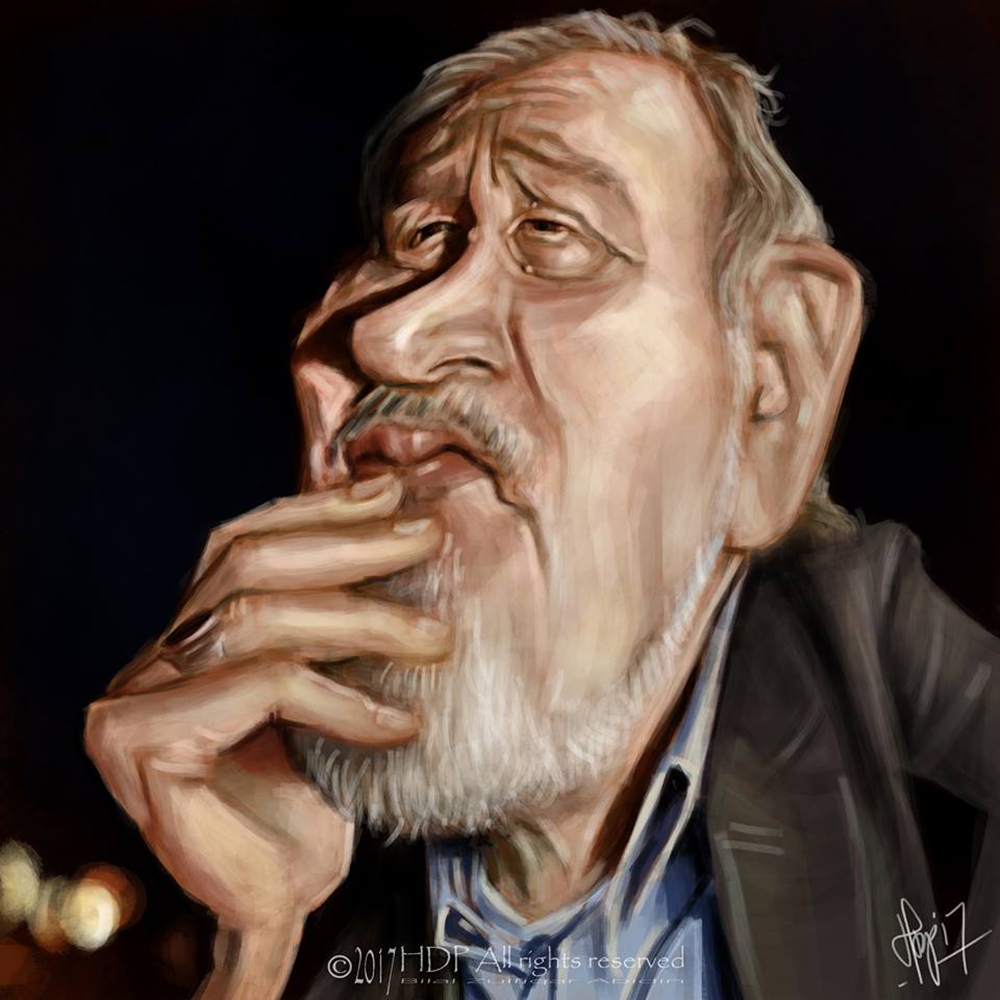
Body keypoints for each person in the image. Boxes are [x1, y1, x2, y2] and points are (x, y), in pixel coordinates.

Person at [84, 12, 1000, 1000]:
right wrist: (252, 950)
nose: (388, 335)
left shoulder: (876, 661)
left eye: (552, 233)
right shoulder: (281, 842)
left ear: (770, 379)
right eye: (421, 238)